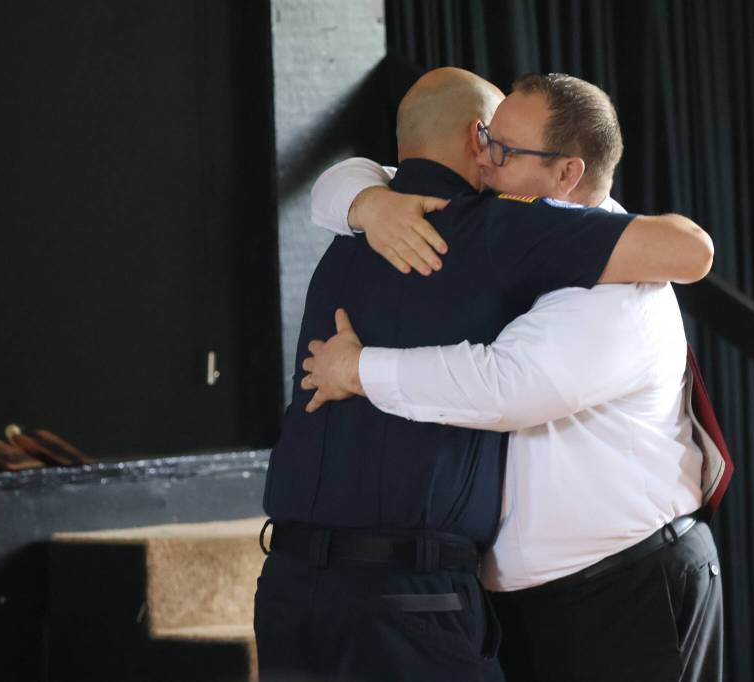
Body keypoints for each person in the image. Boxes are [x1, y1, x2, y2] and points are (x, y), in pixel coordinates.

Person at [255, 67, 712, 682]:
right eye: (486, 140)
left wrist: (357, 368)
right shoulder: (451, 218)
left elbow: (506, 386)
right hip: (496, 599)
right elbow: (344, 182)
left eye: (504, 149)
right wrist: (368, 201)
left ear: (568, 174)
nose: (487, 161)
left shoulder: (596, 267)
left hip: (622, 587)